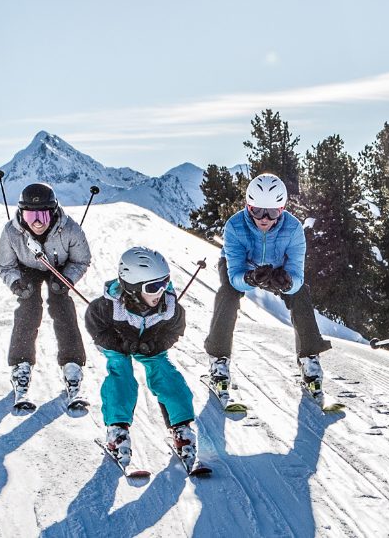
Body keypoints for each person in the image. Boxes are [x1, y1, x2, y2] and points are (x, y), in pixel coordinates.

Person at [202, 173, 333, 390]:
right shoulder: (235, 226)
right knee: (227, 294)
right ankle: (218, 360)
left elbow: (298, 275)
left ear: (281, 210)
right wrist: (249, 278)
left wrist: (288, 282)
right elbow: (235, 276)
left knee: (300, 294)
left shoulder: (293, 229)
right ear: (248, 206)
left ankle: (309, 358)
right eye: (257, 211)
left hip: (278, 267)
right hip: (243, 268)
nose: (264, 218)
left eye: (272, 212)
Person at [83, 247, 198, 464]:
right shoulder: (109, 305)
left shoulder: (170, 306)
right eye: (154, 287)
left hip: (150, 346)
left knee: (165, 373)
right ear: (133, 287)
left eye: (165, 283)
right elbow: (95, 326)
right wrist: (118, 343)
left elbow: (175, 330)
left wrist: (155, 344)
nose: (161, 291)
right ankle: (117, 429)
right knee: (121, 372)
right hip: (119, 346)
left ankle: (181, 427)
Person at [0, 182, 92, 408]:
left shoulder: (69, 229)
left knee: (63, 308)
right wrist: (16, 283)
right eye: (30, 216)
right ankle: (21, 366)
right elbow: (5, 265)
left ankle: (72, 366)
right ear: (21, 214)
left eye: (43, 216)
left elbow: (81, 259)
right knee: (28, 308)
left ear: (53, 212)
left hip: (59, 267)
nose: (37, 222)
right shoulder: (11, 231)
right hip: (27, 268)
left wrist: (67, 279)